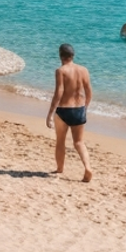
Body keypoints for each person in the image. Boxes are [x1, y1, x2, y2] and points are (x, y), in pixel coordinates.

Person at [47, 43, 93, 182]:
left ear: (61, 55)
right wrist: (85, 107)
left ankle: (60, 168)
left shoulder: (61, 71)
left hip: (64, 110)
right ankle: (88, 167)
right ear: (73, 55)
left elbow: (59, 92)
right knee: (79, 142)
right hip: (79, 109)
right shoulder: (84, 70)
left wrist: (50, 113)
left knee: (60, 141)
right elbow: (89, 91)